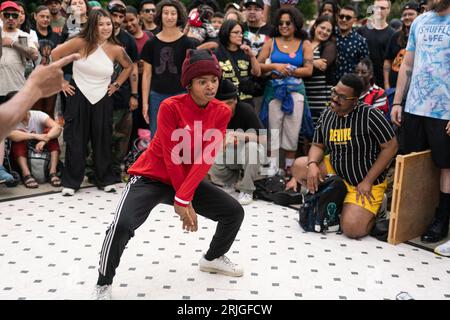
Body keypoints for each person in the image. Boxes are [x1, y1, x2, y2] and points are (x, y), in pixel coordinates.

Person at [93, 49, 244, 300]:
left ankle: (213, 257)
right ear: (189, 84)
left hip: (184, 181)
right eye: (202, 81)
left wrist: (184, 197)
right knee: (121, 226)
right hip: (151, 176)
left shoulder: (221, 111)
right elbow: (170, 155)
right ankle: (103, 283)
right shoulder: (170, 106)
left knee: (233, 212)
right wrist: (182, 201)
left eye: (214, 80)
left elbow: (205, 159)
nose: (210, 87)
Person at [291, 74, 398, 239]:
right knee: (299, 166)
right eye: (334, 92)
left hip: (363, 180)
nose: (334, 98)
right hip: (337, 171)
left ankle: (377, 209)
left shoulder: (370, 115)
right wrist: (312, 164)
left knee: (352, 229)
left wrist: (368, 181)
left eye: (341, 97)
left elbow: (391, 147)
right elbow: (318, 144)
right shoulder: (328, 113)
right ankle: (337, 199)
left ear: (355, 100)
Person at [51, 8, 133, 196]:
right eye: (101, 24)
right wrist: (62, 81)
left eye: (108, 24)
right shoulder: (80, 42)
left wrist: (117, 84)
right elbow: (55, 55)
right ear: (92, 25)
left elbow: (129, 66)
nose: (105, 28)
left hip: (103, 97)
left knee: (103, 138)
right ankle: (71, 182)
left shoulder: (116, 49)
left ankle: (105, 179)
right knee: (75, 139)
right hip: (77, 94)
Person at [391, 0, 450, 251]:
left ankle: (441, 220)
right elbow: (407, 64)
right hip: (414, 107)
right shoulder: (420, 21)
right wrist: (397, 102)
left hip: (444, 110)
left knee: (446, 166)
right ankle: (410, 219)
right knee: (413, 161)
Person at [257, 6, 313, 178]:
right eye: (280, 23)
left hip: (296, 92)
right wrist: (275, 66)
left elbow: (309, 70)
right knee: (273, 129)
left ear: (295, 24)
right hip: (274, 91)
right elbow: (258, 66)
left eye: (288, 23)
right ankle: (273, 167)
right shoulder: (271, 42)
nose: (284, 26)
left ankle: (289, 168)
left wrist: (290, 71)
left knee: (292, 130)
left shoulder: (305, 44)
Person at [141, 0, 195, 139]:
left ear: (179, 16)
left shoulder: (188, 43)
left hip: (182, 95)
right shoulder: (151, 43)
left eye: (173, 13)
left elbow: (192, 74)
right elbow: (146, 75)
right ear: (160, 15)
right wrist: (145, 103)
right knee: (157, 136)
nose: (169, 17)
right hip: (156, 96)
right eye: (166, 13)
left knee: (181, 136)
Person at [210, 79, 267, 205]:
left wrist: (237, 135)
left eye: (229, 103)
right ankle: (230, 182)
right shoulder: (212, 113)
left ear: (235, 100)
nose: (225, 108)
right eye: (221, 104)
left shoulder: (245, 110)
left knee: (252, 148)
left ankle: (247, 189)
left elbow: (263, 139)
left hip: (247, 153)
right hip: (230, 154)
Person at [0, 53, 80, 140]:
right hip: (29, 84)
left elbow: (57, 127)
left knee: (48, 115)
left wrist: (46, 138)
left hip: (49, 82)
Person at [106, 0, 139, 182]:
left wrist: (134, 95)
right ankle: (97, 171)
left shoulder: (128, 40)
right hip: (100, 95)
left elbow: (133, 68)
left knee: (122, 135)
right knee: (101, 134)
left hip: (122, 95)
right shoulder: (99, 35)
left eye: (121, 16)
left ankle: (115, 169)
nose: (117, 20)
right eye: (114, 15)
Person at [7, 91, 62, 188]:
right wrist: (36, 136)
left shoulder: (37, 115)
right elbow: (12, 135)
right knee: (18, 139)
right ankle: (26, 175)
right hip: (19, 157)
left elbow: (57, 128)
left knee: (51, 134)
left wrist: (46, 139)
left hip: (41, 152)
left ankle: (52, 172)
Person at [124, 5, 153, 146]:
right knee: (133, 122)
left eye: (131, 20)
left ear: (138, 18)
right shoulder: (124, 39)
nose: (129, 24)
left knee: (149, 120)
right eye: (125, 21)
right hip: (131, 85)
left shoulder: (150, 37)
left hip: (148, 84)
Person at [214, 19, 261, 105]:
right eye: (236, 32)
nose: (240, 35)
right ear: (226, 33)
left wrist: (252, 56)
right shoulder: (216, 54)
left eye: (241, 33)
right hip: (226, 101)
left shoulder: (246, 51)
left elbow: (257, 73)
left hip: (246, 101)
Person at [1, 1, 39, 104]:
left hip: (16, 88)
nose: (10, 18)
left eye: (14, 15)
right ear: (1, 16)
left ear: (19, 17)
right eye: (7, 14)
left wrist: (13, 43)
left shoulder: (25, 36)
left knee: (17, 120)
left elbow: (34, 55)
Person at [304, 15, 336, 124]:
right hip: (304, 93)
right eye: (322, 28)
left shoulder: (329, 46)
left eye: (328, 30)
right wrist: (313, 62)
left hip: (322, 96)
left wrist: (301, 67)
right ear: (315, 26)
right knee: (304, 132)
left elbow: (322, 66)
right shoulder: (305, 42)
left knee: (321, 129)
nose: (324, 32)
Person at [33, 5, 62, 118]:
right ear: (35, 16)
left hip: (51, 80)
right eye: (42, 16)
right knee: (35, 111)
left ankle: (50, 135)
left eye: (48, 17)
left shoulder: (56, 36)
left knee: (49, 111)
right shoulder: (30, 34)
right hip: (34, 79)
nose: (45, 19)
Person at [357, 0, 395, 88]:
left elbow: (391, 61)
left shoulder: (393, 34)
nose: (379, 10)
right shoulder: (361, 31)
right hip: (361, 80)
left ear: (388, 10)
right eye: (377, 7)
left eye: (382, 8)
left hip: (382, 82)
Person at [383, 2, 419, 91]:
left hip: (414, 88)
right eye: (404, 15)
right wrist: (387, 85)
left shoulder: (423, 36)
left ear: (419, 15)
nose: (407, 17)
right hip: (393, 87)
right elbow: (387, 61)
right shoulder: (395, 36)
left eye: (410, 14)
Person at [334, 5, 369, 84]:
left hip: (350, 86)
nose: (344, 19)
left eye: (348, 17)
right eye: (341, 16)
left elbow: (364, 66)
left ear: (354, 20)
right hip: (327, 86)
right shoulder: (329, 34)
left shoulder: (360, 41)